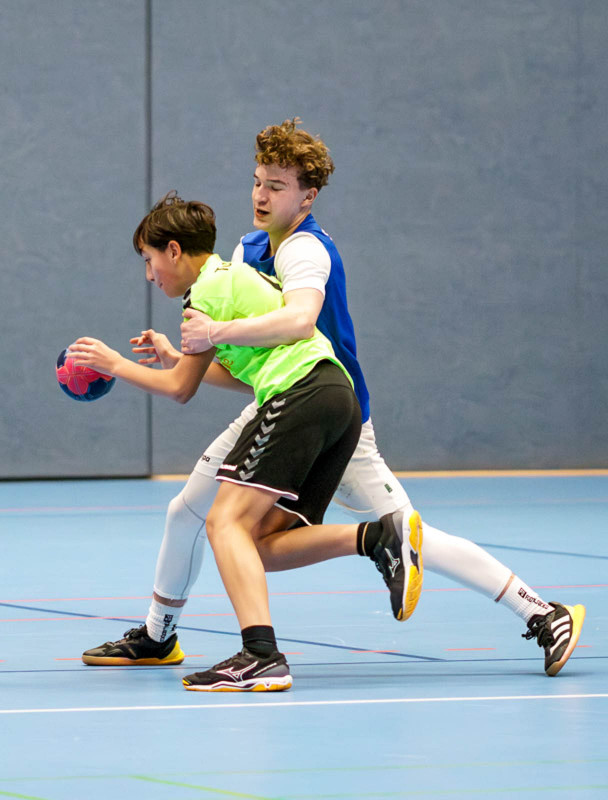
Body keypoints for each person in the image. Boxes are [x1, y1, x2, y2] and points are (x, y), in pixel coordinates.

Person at [124, 118, 581, 677]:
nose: (261, 196)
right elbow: (249, 366)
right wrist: (183, 357)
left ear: (307, 197)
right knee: (190, 511)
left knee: (409, 535)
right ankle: (157, 634)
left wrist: (211, 334)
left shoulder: (306, 252)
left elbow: (299, 320)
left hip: (330, 412)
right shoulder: (246, 250)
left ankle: (542, 612)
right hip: (277, 402)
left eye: (277, 186)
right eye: (258, 181)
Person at [67, 192, 421, 691]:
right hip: (334, 398)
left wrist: (115, 364)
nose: (149, 275)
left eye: (149, 260)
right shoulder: (229, 280)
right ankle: (376, 537)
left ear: (174, 251)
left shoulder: (207, 294)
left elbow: (180, 391)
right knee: (260, 546)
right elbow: (243, 375)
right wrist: (175, 357)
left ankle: (261, 655)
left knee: (223, 521)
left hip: (302, 393)